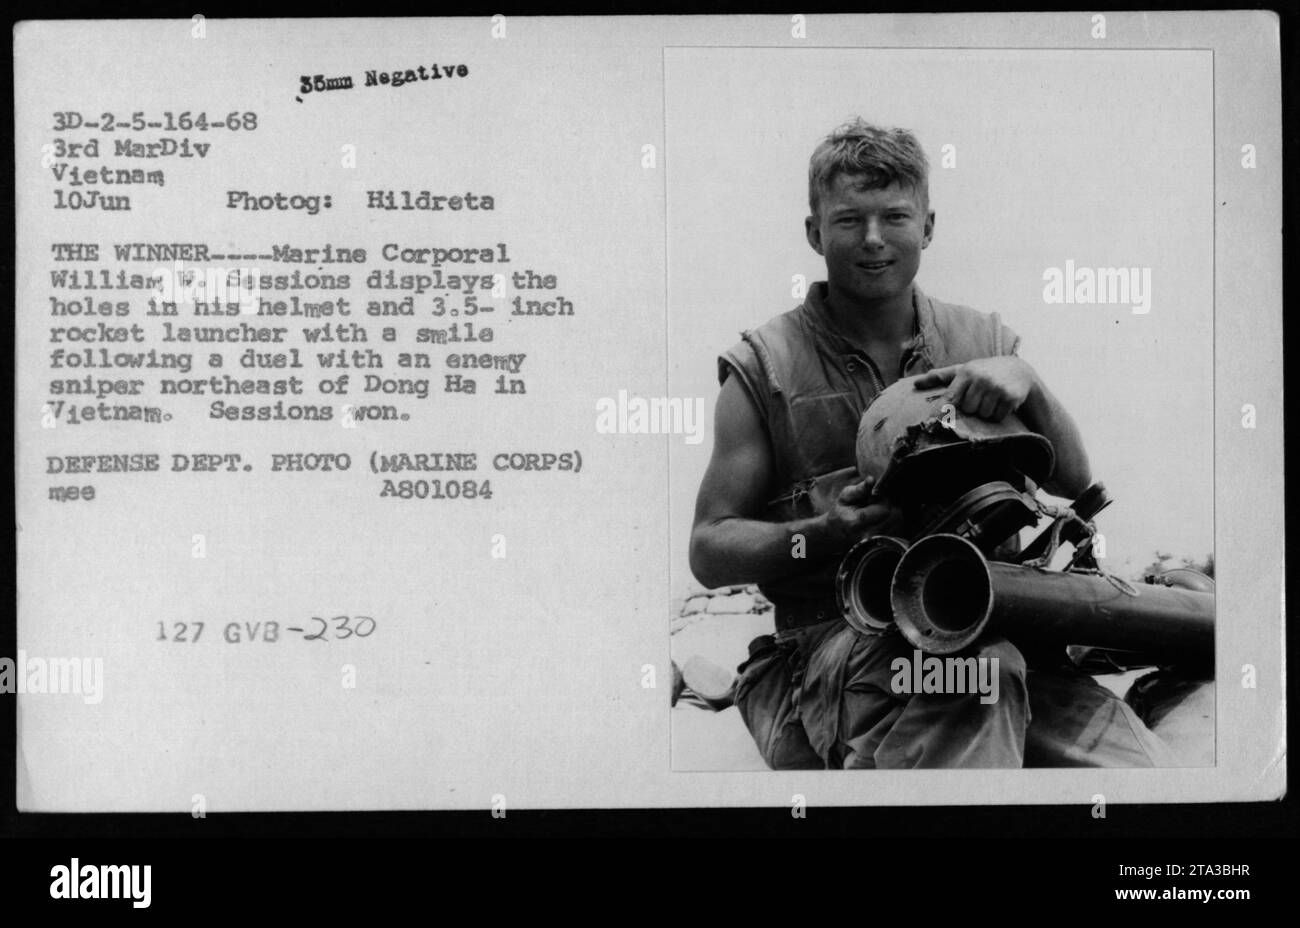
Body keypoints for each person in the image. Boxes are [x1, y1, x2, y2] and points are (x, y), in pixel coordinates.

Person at [688, 117, 1174, 769]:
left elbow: (1076, 480)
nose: (872, 241)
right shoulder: (764, 367)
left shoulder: (986, 343)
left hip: (1005, 621)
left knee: (1147, 775)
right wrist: (824, 533)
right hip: (837, 646)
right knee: (982, 678)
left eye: (894, 217)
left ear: (928, 226)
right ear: (813, 232)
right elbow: (710, 547)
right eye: (847, 220)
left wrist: (1026, 381)